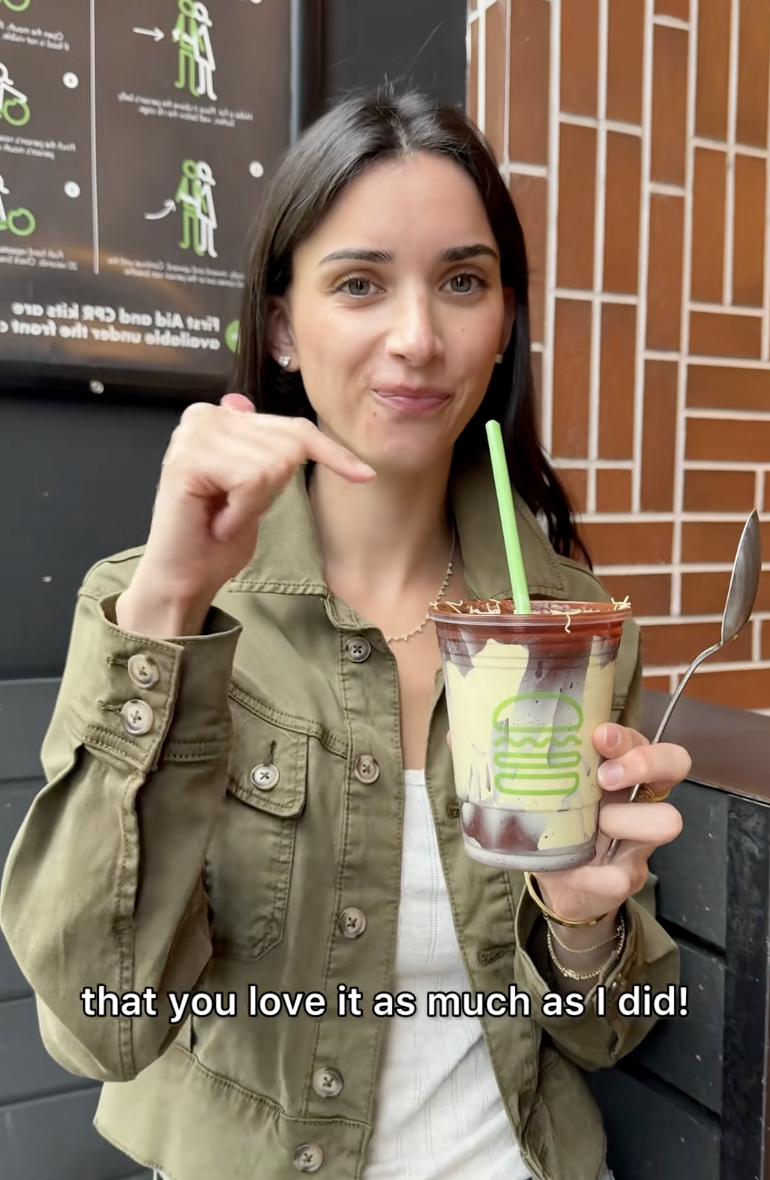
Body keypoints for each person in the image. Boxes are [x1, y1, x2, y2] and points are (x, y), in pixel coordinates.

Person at [0, 86, 688, 1180]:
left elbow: (611, 1026)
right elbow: (98, 1026)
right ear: (279, 323)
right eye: (359, 283)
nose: (416, 338)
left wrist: (580, 926)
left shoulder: (567, 622)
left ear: (504, 315)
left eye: (462, 281)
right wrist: (173, 603)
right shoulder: (158, 611)